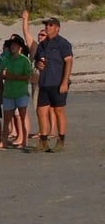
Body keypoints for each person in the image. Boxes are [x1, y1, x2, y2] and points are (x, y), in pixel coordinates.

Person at [25, 15, 73, 153]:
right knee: (41, 111)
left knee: (59, 111)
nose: (47, 27)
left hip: (58, 82)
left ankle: (61, 140)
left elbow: (69, 61)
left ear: (57, 28)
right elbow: (38, 61)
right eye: (46, 25)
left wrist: (65, 81)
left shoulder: (63, 43)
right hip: (44, 82)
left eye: (50, 25)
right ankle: (43, 141)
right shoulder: (42, 44)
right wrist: (38, 64)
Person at [0, 34, 33, 149]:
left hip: (21, 93)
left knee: (22, 117)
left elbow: (28, 77)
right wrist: (4, 78)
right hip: (8, 92)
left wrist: (12, 76)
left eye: (15, 45)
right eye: (11, 45)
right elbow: (1, 75)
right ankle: (3, 141)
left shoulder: (24, 60)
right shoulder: (6, 59)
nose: (12, 46)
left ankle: (24, 141)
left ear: (20, 47)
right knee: (7, 119)